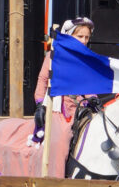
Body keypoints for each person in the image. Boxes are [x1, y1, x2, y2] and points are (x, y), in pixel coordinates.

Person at [31, 17, 95, 175]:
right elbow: (43, 80)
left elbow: (88, 84)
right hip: (58, 109)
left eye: (87, 37)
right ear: (69, 36)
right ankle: (55, 182)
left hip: (81, 108)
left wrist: (92, 98)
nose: (84, 41)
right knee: (62, 139)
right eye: (80, 36)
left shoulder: (87, 58)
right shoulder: (54, 55)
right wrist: (40, 104)